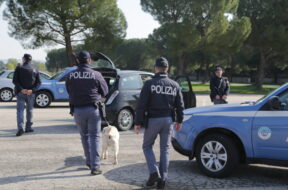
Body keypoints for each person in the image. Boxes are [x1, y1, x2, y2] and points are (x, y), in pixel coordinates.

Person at [134, 57, 184, 189]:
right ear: (167, 69)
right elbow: (180, 106)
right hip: (168, 120)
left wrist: (137, 122)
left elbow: (141, 105)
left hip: (153, 119)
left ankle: (153, 171)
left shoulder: (149, 84)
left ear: (156, 68)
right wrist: (180, 120)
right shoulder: (175, 85)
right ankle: (163, 179)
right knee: (165, 149)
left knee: (147, 146)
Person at [66, 51, 108, 175]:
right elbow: (105, 91)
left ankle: (89, 161)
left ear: (78, 61)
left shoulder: (70, 75)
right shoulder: (96, 74)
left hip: (77, 110)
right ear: (89, 60)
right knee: (95, 137)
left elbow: (69, 91)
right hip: (93, 109)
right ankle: (95, 166)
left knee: (84, 136)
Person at [13, 54, 41, 137]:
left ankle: (20, 128)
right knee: (30, 110)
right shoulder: (35, 68)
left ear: (24, 59)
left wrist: (22, 89)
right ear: (31, 60)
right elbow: (39, 82)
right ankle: (28, 127)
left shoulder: (19, 68)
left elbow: (15, 81)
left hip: (21, 92)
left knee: (20, 111)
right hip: (30, 93)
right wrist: (32, 90)